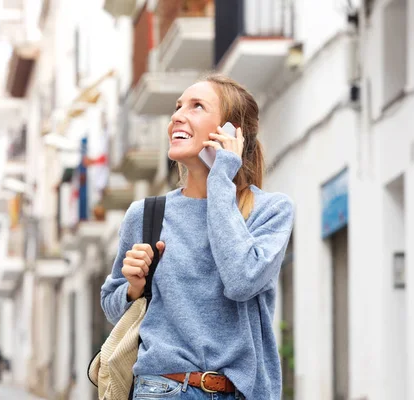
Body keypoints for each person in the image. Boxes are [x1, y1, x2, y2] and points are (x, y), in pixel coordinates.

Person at [101, 73, 294, 400]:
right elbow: (110, 302)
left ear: (231, 131)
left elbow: (241, 280)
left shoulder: (270, 211)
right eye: (178, 107)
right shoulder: (147, 215)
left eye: (196, 106)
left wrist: (222, 176)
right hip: (161, 390)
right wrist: (133, 288)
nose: (177, 115)